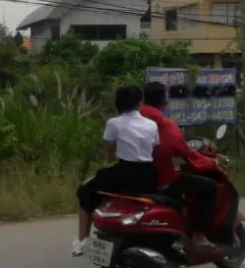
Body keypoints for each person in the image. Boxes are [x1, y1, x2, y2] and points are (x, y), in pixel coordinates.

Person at [72, 84, 159, 256]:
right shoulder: (151, 125)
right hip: (149, 175)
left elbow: (109, 148)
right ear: (140, 102)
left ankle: (82, 240)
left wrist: (106, 151)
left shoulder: (114, 123)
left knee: (85, 191)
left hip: (125, 172)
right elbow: (154, 146)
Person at [140, 81, 219, 250]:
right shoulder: (165, 125)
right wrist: (213, 162)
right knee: (209, 187)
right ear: (164, 100)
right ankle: (199, 235)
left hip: (135, 177)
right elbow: (189, 156)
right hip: (162, 179)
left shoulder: (132, 118)